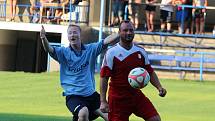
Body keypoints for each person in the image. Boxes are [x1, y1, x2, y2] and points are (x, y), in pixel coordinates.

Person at [40, 24, 119, 121]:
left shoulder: (90, 49)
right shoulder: (63, 52)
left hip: (91, 95)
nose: (72, 35)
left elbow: (105, 42)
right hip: (73, 96)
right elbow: (49, 49)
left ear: (80, 35)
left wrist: (120, 32)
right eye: (70, 33)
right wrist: (43, 38)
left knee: (111, 116)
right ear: (68, 37)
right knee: (83, 112)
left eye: (75, 32)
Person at [100, 20, 167, 121]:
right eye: (125, 30)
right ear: (119, 32)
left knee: (155, 119)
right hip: (118, 99)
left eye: (131, 30)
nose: (128, 33)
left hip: (136, 96)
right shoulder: (111, 52)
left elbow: (150, 71)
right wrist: (103, 101)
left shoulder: (140, 51)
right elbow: (104, 77)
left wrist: (159, 87)